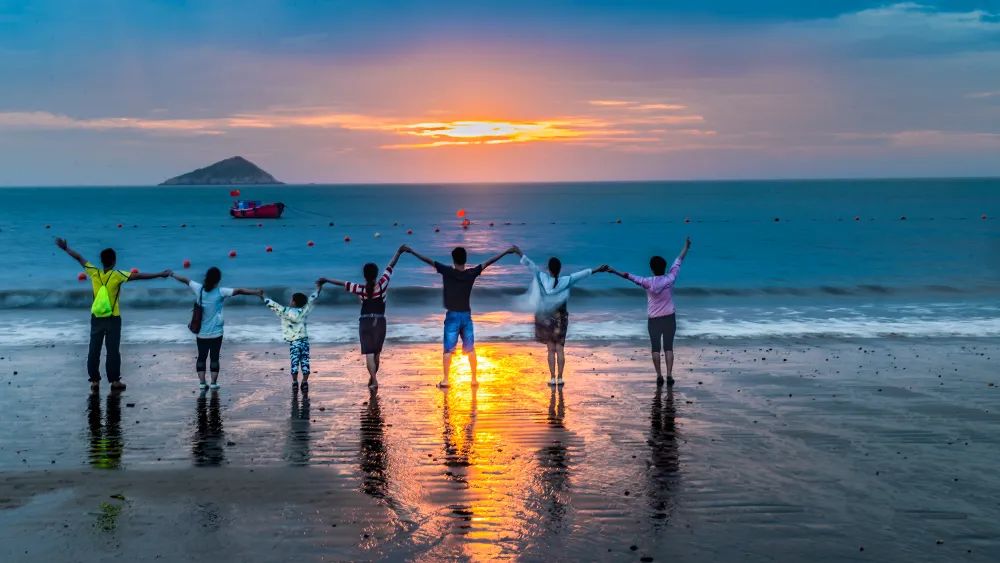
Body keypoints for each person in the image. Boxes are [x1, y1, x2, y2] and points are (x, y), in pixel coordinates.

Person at [55, 237, 170, 392]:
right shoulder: (117, 275)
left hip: (96, 317)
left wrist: (66, 249)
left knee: (94, 349)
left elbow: (79, 258)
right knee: (113, 350)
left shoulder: (94, 272)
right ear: (114, 261)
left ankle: (94, 381)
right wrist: (160, 274)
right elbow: (139, 276)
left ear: (101, 261)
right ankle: (114, 381)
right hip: (113, 318)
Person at [403, 244, 518, 387]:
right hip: (466, 316)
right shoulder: (471, 273)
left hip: (452, 316)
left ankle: (446, 380)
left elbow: (428, 261)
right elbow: (488, 262)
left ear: (453, 259)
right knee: (470, 348)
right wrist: (506, 251)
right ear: (465, 259)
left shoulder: (447, 271)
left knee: (448, 350)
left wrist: (412, 250)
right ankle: (474, 379)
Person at [513, 246, 607, 386]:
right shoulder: (567, 280)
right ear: (560, 269)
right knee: (560, 348)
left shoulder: (542, 277)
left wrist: (518, 252)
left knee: (550, 349)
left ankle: (552, 378)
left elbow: (530, 265)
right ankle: (560, 378)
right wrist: (598, 269)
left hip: (546, 318)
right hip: (561, 318)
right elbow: (582, 274)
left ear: (548, 268)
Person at [608, 237, 691, 386]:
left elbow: (628, 276)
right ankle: (670, 375)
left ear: (652, 269)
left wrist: (613, 271)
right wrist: (686, 246)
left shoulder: (646, 282)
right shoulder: (671, 277)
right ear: (664, 268)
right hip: (669, 317)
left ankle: (659, 375)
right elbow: (679, 260)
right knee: (668, 347)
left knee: (655, 347)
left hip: (654, 319)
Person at [318, 246, 404, 389]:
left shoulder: (359, 289)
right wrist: (399, 252)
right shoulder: (382, 284)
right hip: (379, 321)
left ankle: (374, 380)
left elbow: (342, 283)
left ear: (364, 275)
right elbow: (391, 265)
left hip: (365, 322)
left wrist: (326, 280)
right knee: (376, 353)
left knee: (369, 353)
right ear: (376, 274)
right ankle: (373, 378)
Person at [169, 267, 262, 389]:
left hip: (201, 332)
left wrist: (172, 274)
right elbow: (239, 291)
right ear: (218, 280)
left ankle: (202, 383)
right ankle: (213, 383)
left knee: (201, 356)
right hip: (216, 333)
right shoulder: (221, 291)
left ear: (206, 277)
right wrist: (256, 292)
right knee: (214, 357)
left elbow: (185, 280)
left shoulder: (199, 289)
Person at [263, 282, 323, 390]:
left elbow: (274, 306)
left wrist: (263, 296)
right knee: (305, 361)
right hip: (304, 342)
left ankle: (295, 382)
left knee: (294, 362)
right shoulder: (304, 311)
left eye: (291, 300)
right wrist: (318, 289)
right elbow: (312, 299)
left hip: (294, 343)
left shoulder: (286, 311)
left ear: (294, 302)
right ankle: (304, 382)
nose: (290, 301)